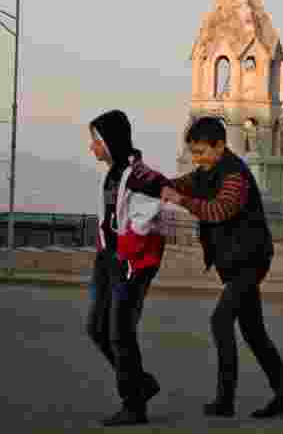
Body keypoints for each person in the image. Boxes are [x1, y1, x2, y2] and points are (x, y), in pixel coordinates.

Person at [161, 116, 283, 419]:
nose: (196, 159)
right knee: (253, 331)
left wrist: (181, 200)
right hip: (236, 261)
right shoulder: (206, 171)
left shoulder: (234, 175)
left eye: (201, 152)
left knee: (220, 321)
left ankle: (225, 401)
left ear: (220, 146)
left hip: (250, 259)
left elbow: (218, 210)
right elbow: (175, 184)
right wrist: (147, 182)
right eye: (193, 152)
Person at [86, 109, 175, 427]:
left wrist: (128, 250)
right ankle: (141, 382)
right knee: (97, 328)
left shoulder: (140, 175)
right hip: (107, 259)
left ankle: (133, 403)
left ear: (110, 141)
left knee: (120, 331)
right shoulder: (114, 173)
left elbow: (159, 194)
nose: (92, 147)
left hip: (131, 263)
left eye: (95, 141)